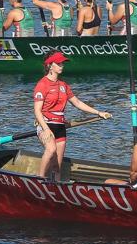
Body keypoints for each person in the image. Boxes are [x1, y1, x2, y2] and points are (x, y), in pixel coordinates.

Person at [33, 51, 111, 181]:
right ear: (49, 66)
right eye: (58, 63)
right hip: (45, 125)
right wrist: (46, 129)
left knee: (57, 166)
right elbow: (37, 111)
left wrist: (98, 112)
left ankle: (56, 189)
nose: (62, 65)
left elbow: (77, 103)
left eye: (62, 63)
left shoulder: (64, 85)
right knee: (51, 149)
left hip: (60, 127)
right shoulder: (42, 85)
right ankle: (39, 179)